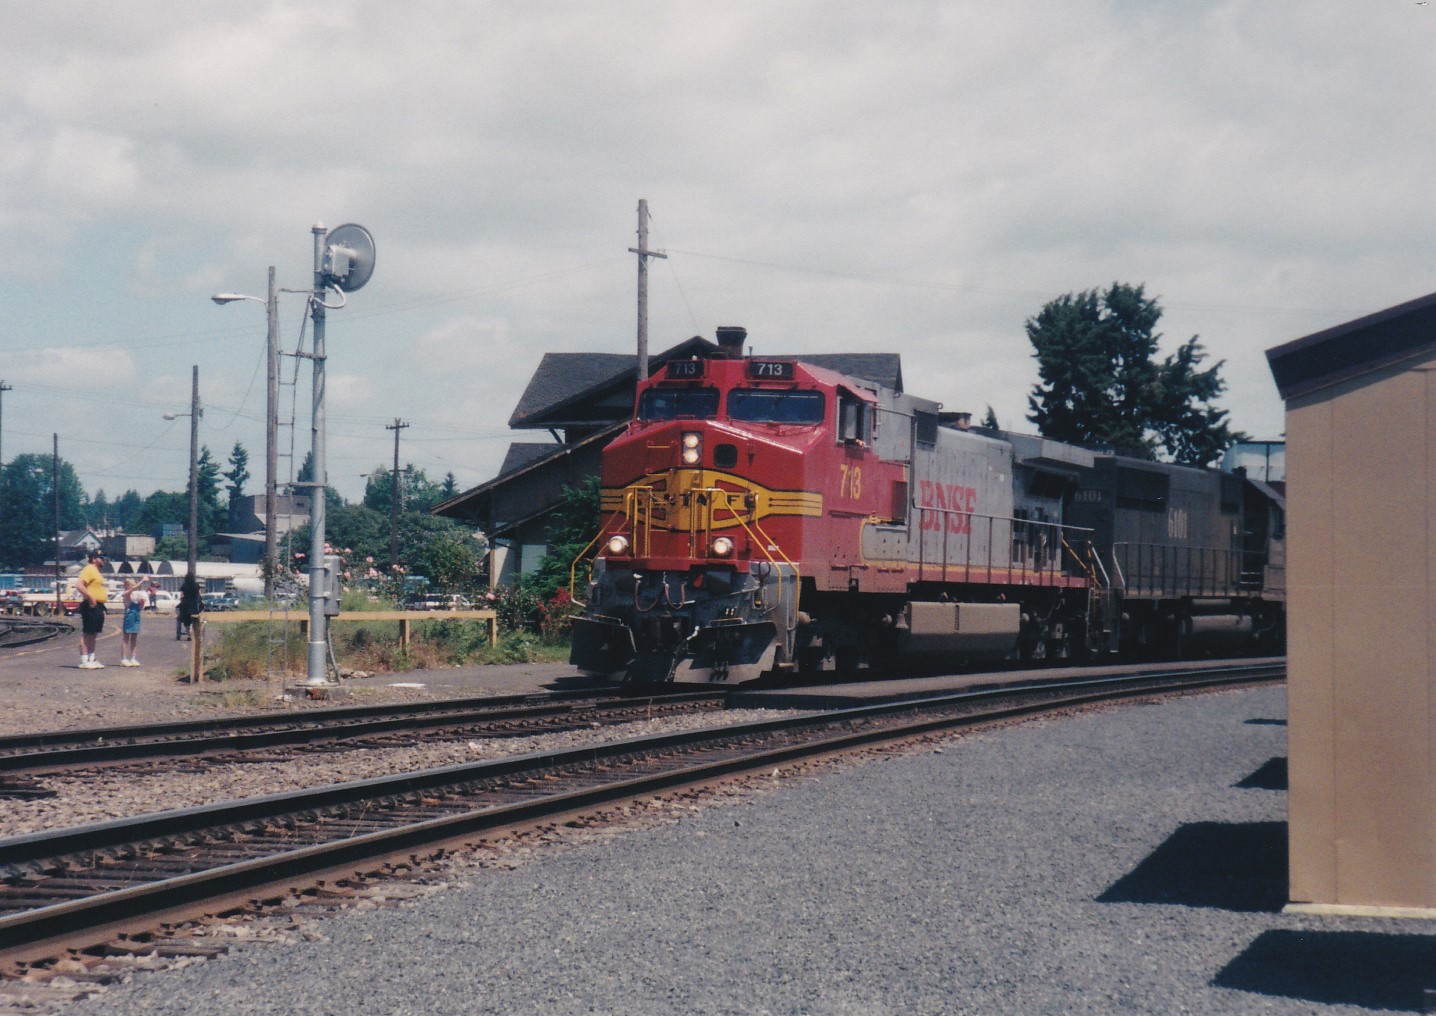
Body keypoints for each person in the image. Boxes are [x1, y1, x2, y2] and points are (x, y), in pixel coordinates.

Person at [74, 550, 109, 669]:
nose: (103, 559)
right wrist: (90, 597)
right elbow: (79, 585)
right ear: (93, 559)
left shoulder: (97, 572)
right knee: (87, 632)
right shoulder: (89, 569)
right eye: (101, 557)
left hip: (98, 605)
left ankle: (91, 658)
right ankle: (84, 659)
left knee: (93, 633)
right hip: (90, 605)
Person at [119, 579, 147, 666]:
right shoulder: (126, 594)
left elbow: (141, 607)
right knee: (126, 637)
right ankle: (123, 658)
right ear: (127, 586)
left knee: (134, 637)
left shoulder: (135, 595)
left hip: (136, 615)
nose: (134, 587)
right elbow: (131, 590)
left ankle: (133, 658)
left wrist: (142, 602)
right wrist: (142, 581)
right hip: (129, 616)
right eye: (132, 585)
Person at [177, 574, 202, 641]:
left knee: (185, 621)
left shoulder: (184, 585)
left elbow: (182, 595)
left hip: (185, 606)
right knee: (194, 619)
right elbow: (199, 595)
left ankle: (188, 633)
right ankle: (192, 634)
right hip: (194, 606)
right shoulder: (196, 585)